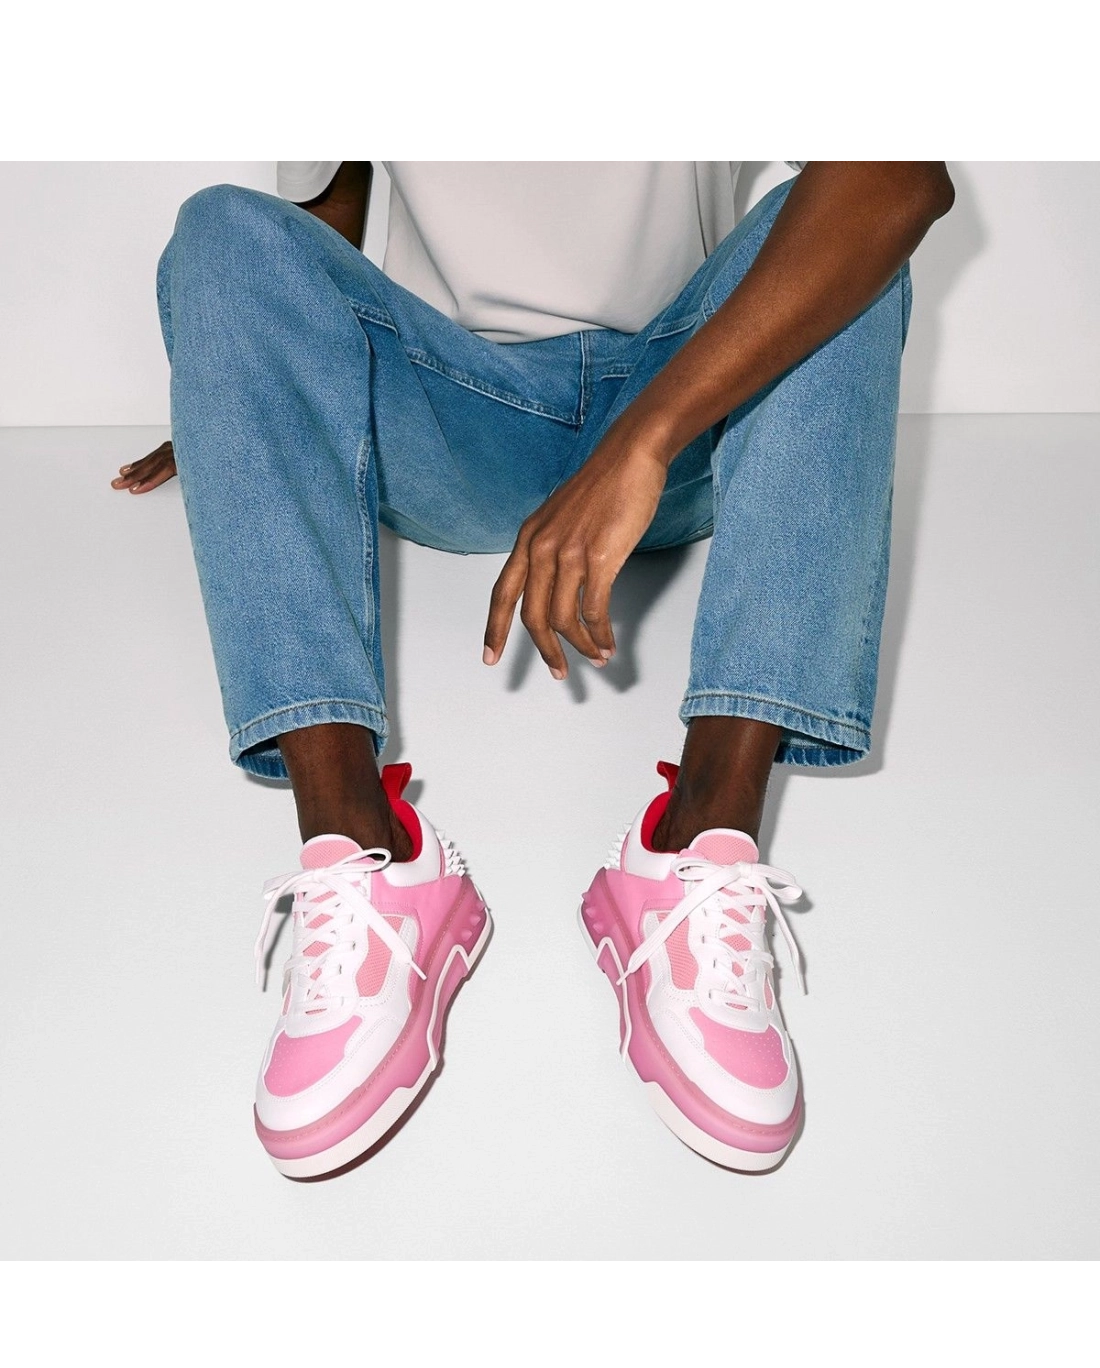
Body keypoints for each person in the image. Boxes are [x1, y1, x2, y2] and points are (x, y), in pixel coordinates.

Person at [113, 159, 954, 1178]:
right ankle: (362, 853)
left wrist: (641, 441)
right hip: (454, 413)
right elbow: (322, 207)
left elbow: (902, 178)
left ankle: (701, 835)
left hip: (689, 414)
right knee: (222, 234)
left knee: (848, 227)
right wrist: (250, 381)